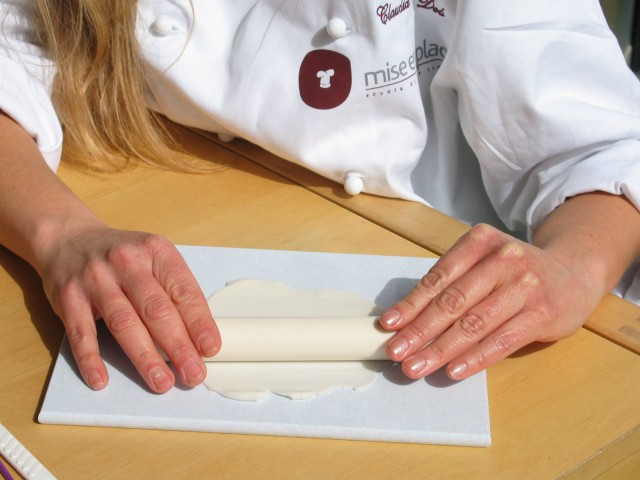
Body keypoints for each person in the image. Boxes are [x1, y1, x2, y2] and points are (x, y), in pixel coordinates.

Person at [1, 0, 639, 394]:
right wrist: (61, 233)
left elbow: (598, 150)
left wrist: (572, 266)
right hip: (237, 208)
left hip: (470, 284)